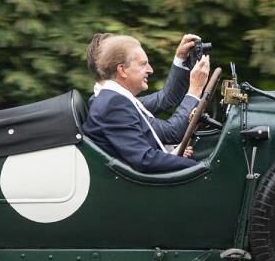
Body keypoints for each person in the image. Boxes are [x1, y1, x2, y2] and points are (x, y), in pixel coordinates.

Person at [82, 33, 211, 173]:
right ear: (122, 70)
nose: (150, 70)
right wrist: (196, 90)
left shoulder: (114, 98)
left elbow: (166, 98)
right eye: (143, 64)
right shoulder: (112, 104)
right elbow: (151, 154)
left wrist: (181, 58)